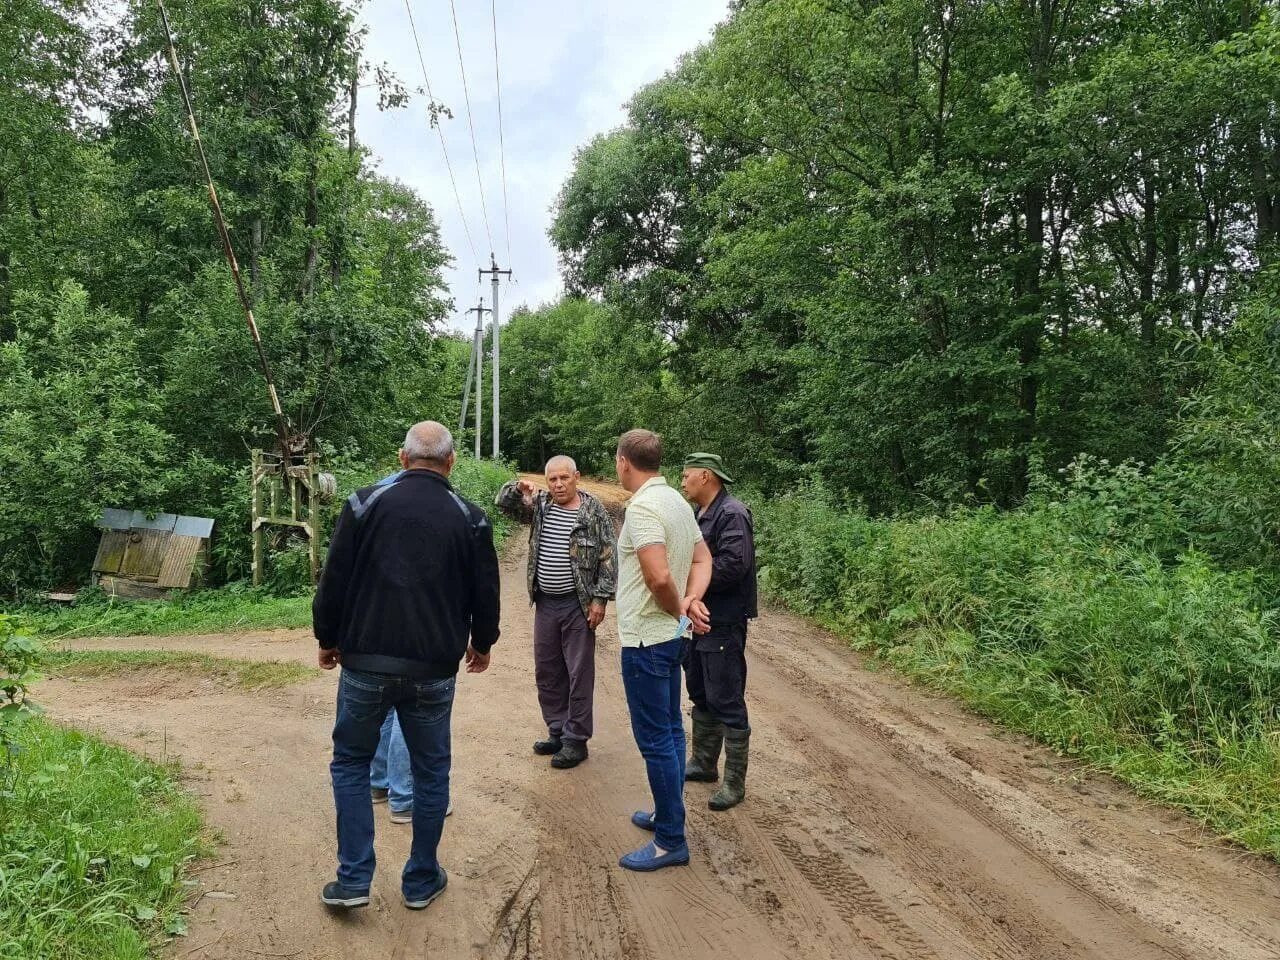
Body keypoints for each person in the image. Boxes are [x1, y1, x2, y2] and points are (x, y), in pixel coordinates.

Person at [313, 421, 499, 911]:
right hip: (434, 670)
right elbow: (486, 591)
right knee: (432, 771)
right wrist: (482, 643)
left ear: (403, 458)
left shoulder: (363, 504)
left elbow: (334, 579)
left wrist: (327, 639)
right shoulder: (471, 517)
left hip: (365, 663)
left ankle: (353, 879)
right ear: (451, 462)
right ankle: (420, 881)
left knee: (351, 763)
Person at [612, 429, 712, 872]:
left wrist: (679, 611)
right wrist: (690, 603)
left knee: (656, 740)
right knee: (671, 731)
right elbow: (701, 560)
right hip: (668, 640)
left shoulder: (644, 508)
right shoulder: (675, 501)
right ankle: (665, 815)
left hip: (647, 641)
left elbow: (657, 578)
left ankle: (671, 839)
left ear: (623, 462)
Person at [496, 457, 617, 769]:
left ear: (576, 477)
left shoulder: (593, 511)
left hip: (578, 604)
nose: (559, 484)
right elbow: (504, 507)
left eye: (565, 478)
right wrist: (515, 488)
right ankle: (557, 731)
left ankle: (576, 740)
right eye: (553, 479)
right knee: (548, 670)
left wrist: (600, 599)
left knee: (578, 673)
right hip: (546, 603)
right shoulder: (541, 505)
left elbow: (608, 556)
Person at [679, 453, 757, 810]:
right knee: (700, 687)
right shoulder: (701, 514)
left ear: (706, 476)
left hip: (721, 620)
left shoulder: (732, 514)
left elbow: (734, 565)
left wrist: (693, 589)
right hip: (697, 618)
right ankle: (704, 763)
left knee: (726, 696)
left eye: (686, 475)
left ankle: (734, 783)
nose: (682, 480)